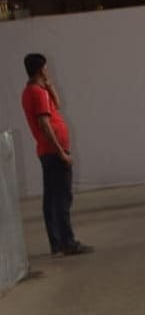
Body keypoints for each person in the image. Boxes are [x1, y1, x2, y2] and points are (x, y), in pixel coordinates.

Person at [21, 53, 93, 256]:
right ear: (39, 69)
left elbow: (57, 106)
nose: (47, 70)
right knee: (61, 198)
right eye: (45, 67)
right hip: (54, 152)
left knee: (52, 198)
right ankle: (67, 242)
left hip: (47, 151)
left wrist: (50, 87)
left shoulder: (31, 91)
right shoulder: (37, 93)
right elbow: (44, 124)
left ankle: (57, 243)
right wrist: (61, 152)